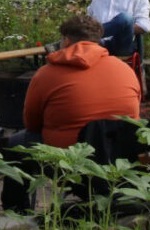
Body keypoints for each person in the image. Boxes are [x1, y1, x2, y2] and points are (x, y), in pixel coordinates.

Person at [19, 14, 141, 149]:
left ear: (66, 41)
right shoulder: (125, 70)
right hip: (119, 153)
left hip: (67, 157)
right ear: (98, 40)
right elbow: (136, 111)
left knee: (17, 140)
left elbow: (31, 124)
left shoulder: (45, 74)